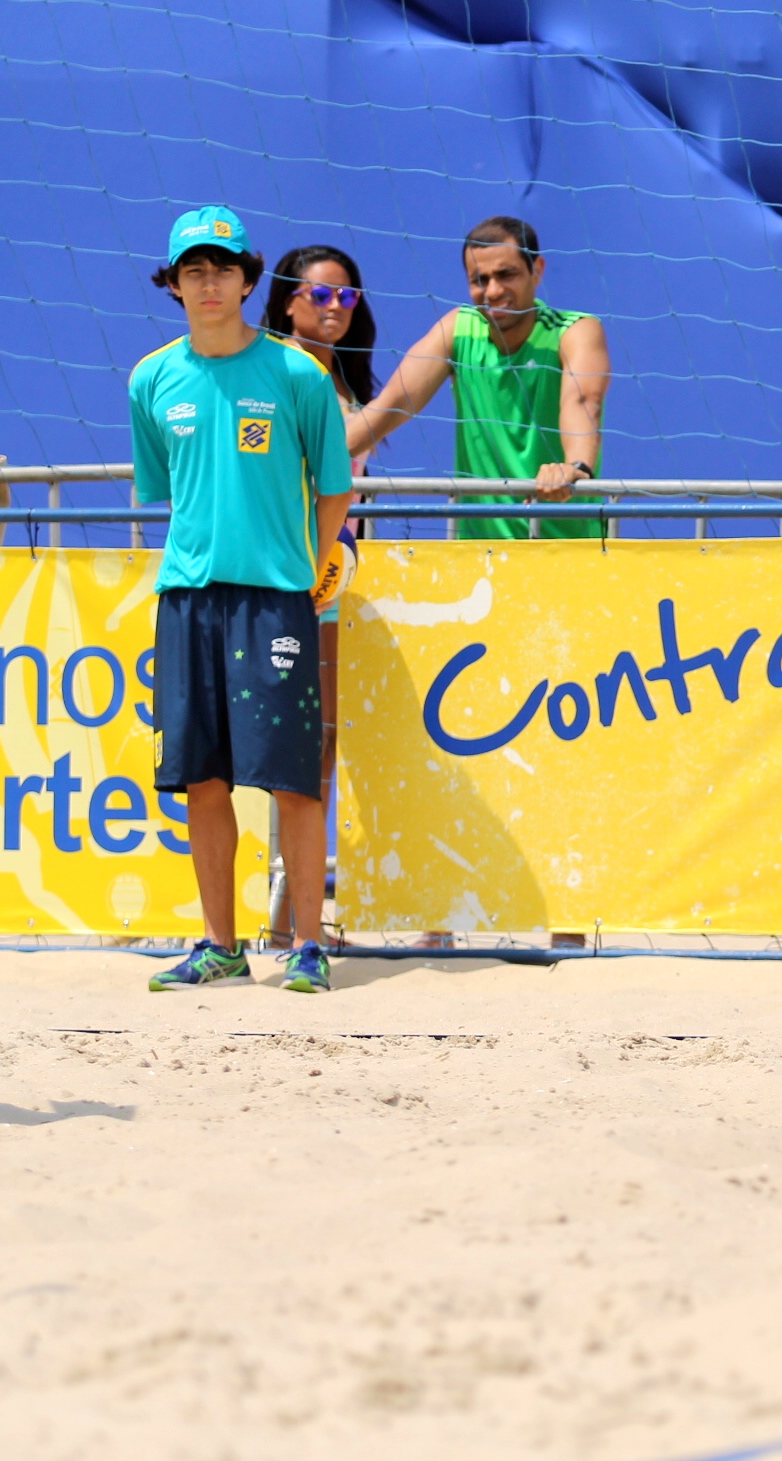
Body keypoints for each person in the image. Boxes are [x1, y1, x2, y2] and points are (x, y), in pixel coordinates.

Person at [129, 205, 354, 994]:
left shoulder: (296, 373)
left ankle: (307, 947)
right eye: (193, 269)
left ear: (250, 279)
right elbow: (168, 492)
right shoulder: (151, 380)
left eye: (223, 267)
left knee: (293, 778)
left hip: (275, 599)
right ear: (174, 285)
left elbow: (334, 490)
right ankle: (221, 946)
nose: (209, 281)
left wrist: (312, 571)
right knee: (203, 780)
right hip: (189, 598)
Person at [346, 215, 611, 540]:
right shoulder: (459, 328)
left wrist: (576, 467)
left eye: (506, 274)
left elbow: (584, 402)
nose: (493, 291)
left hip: (569, 553)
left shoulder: (575, 330)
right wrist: (296, 461)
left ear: (537, 270)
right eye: (479, 280)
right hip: (479, 561)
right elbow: (390, 406)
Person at [261, 246, 376, 821]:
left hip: (331, 582)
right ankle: (274, 897)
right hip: (280, 578)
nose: (337, 305)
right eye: (322, 294)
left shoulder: (348, 387)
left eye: (348, 294)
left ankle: (290, 891)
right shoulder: (271, 376)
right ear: (287, 304)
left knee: (323, 739)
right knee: (273, 742)